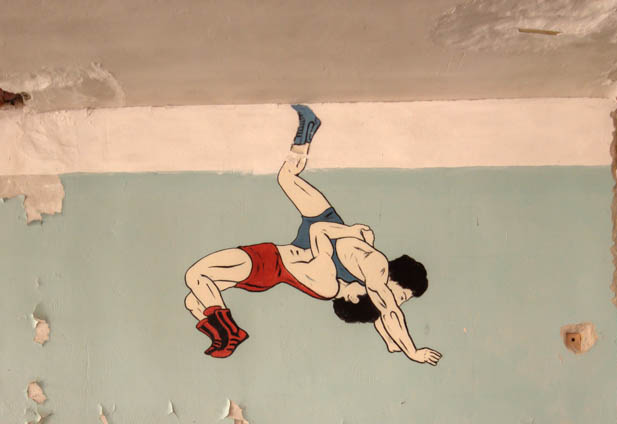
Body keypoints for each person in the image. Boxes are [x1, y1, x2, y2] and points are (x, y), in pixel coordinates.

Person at [183, 105, 441, 365]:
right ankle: (308, 127)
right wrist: (406, 349)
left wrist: (400, 346)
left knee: (196, 290)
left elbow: (383, 313)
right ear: (395, 280)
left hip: (292, 252)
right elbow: (387, 312)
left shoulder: (352, 284)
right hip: (317, 234)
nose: (398, 302)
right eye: (402, 296)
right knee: (286, 178)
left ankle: (228, 334)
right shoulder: (376, 268)